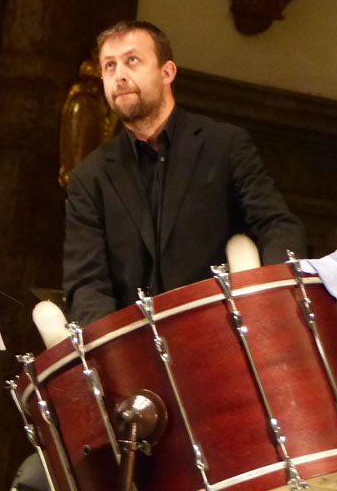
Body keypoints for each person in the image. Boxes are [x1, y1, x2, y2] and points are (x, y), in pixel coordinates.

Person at [63, 20, 306, 325]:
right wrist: (112, 345)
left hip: (222, 331)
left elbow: (275, 225)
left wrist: (275, 304)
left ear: (167, 72)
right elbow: (87, 283)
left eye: (132, 60)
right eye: (109, 66)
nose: (119, 75)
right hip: (136, 342)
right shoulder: (89, 177)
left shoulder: (224, 144)